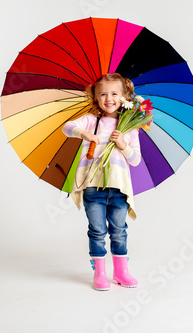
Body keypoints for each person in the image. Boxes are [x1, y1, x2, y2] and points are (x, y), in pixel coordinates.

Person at [62, 73, 141, 291]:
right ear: (96, 98)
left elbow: (135, 160)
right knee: (97, 231)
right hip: (93, 188)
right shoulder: (91, 121)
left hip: (118, 188)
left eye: (115, 94)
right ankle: (100, 273)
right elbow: (66, 128)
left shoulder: (129, 127)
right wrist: (84, 134)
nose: (109, 98)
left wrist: (123, 144)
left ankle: (121, 271)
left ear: (125, 97)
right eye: (103, 94)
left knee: (119, 230)